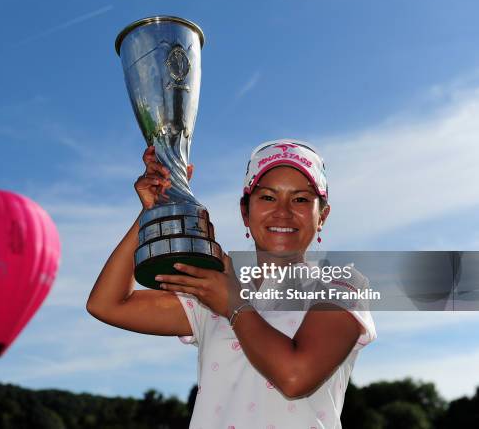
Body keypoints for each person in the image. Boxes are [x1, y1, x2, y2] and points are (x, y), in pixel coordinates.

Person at [86, 139, 377, 428]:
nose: (283, 212)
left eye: (300, 199)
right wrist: (152, 211)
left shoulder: (341, 283)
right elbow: (107, 304)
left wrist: (234, 305)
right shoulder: (216, 285)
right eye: (267, 197)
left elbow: (294, 377)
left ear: (322, 216)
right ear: (245, 212)